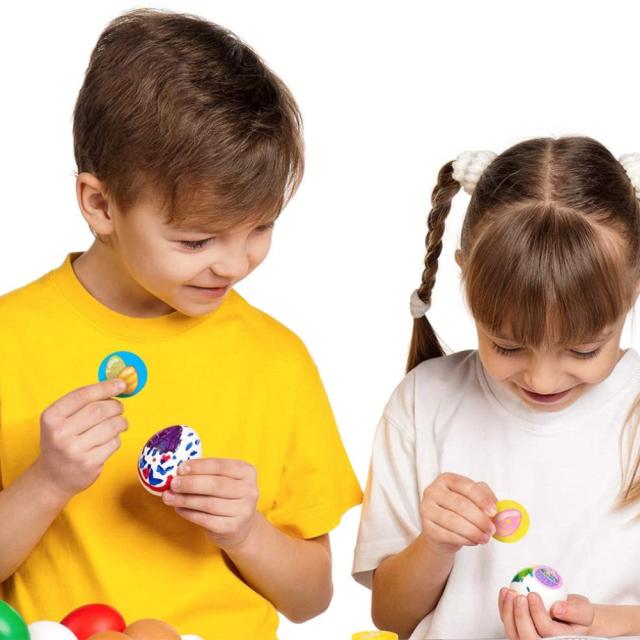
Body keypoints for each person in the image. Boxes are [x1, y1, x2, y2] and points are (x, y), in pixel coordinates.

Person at [0, 9, 361, 639]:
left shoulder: (276, 361)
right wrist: (46, 481)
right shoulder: (12, 340)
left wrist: (246, 531)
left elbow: (310, 599)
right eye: (196, 240)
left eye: (260, 228)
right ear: (101, 204)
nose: (236, 263)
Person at [352, 136, 640, 639]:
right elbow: (390, 617)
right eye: (507, 346)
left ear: (634, 284)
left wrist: (598, 623)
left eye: (582, 350)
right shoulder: (425, 402)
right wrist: (435, 545)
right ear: (466, 276)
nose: (543, 380)